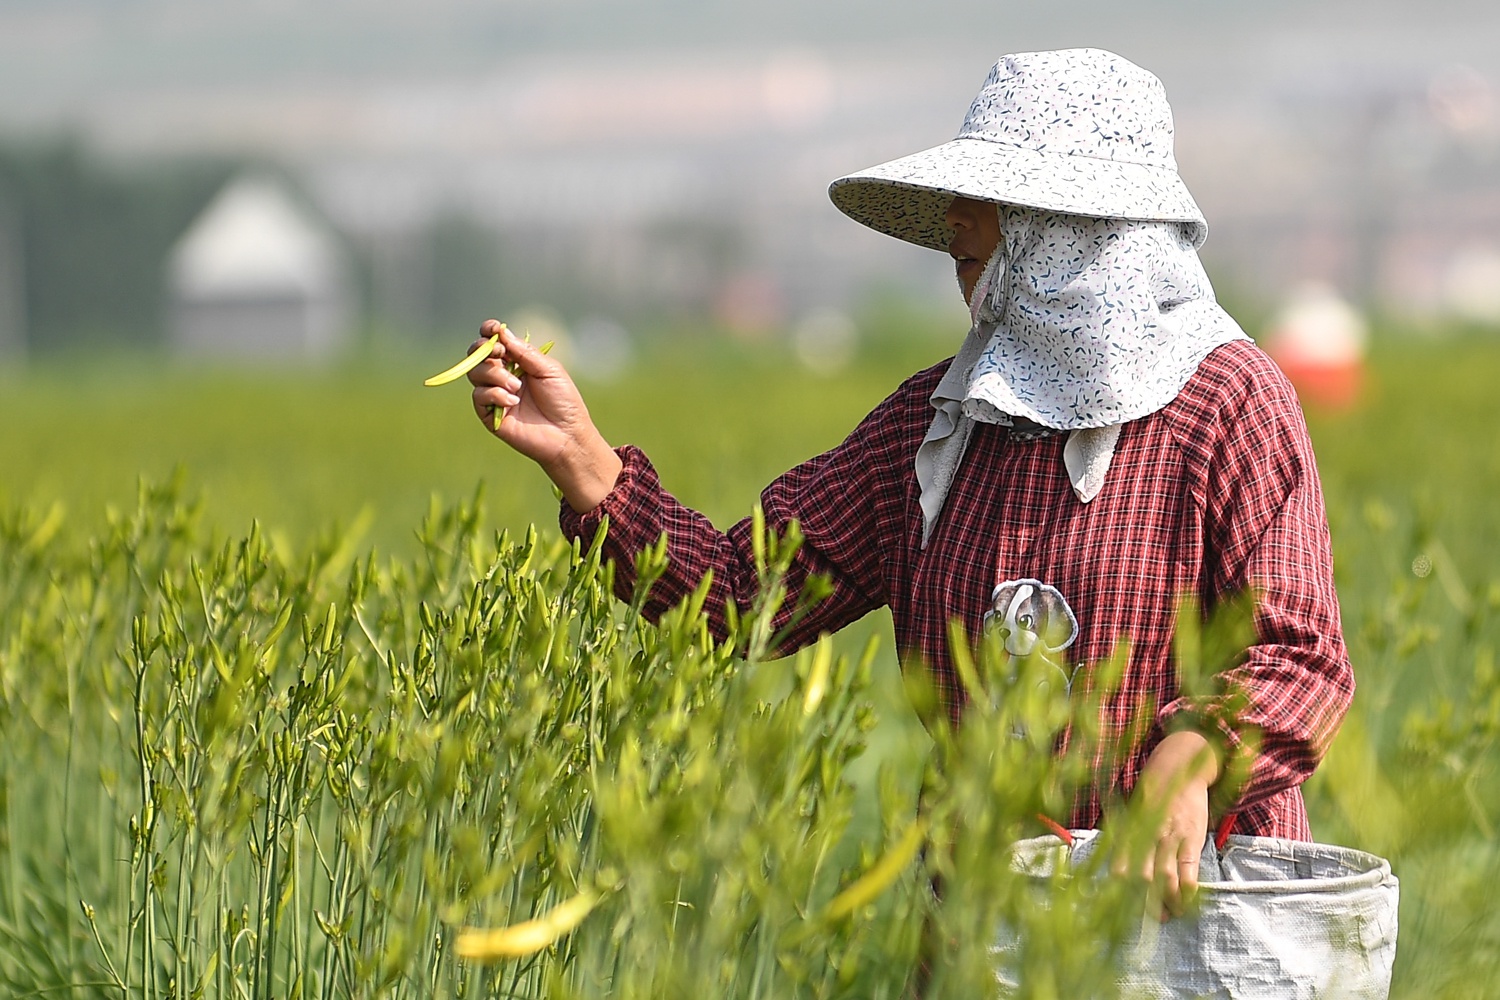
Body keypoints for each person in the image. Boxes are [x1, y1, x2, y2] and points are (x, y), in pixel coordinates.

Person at [462, 48, 1353, 918]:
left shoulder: (1229, 404)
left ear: (1071, 243)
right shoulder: (938, 424)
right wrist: (581, 458)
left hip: (1196, 914)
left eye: (983, 231)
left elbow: (1301, 656)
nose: (962, 255)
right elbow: (742, 597)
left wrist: (1192, 755)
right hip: (988, 922)